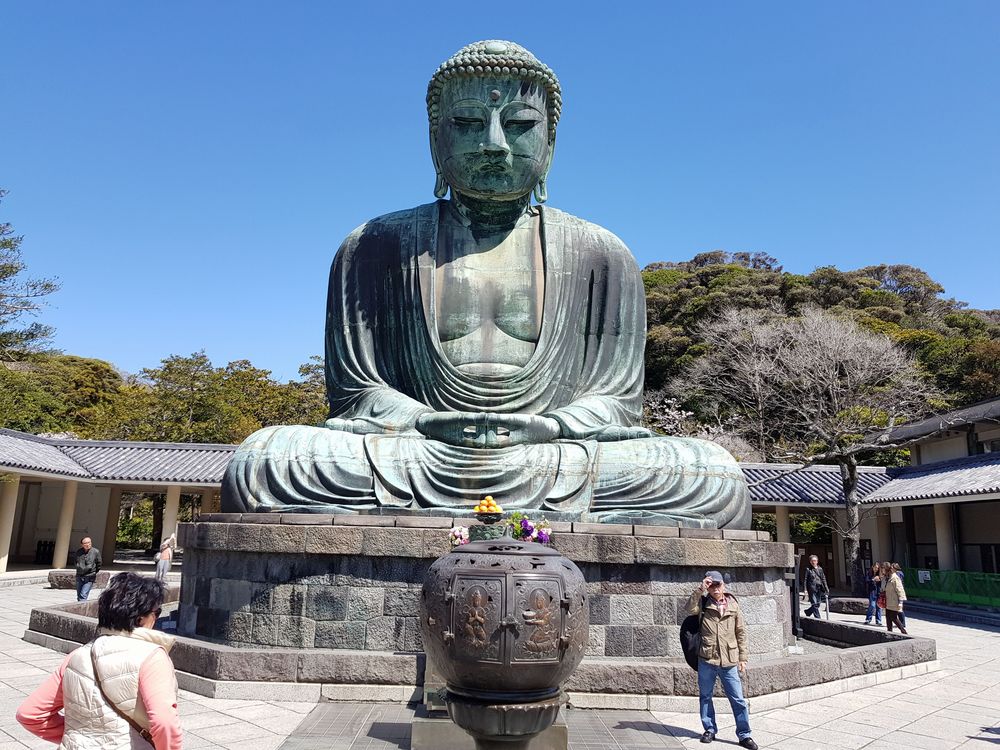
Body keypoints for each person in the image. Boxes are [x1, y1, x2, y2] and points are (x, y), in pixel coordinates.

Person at [220, 39, 751, 530]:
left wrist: (553, 428)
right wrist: (426, 421)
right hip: (418, 450)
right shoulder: (375, 245)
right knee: (268, 460)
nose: (494, 144)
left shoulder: (601, 254)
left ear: (550, 141)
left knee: (710, 474)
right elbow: (356, 394)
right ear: (436, 138)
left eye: (519, 124)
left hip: (555, 455)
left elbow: (615, 402)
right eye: (469, 123)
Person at [16, 572, 183, 748]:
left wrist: (80, 737)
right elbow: (164, 722)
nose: (156, 618)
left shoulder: (79, 654)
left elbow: (30, 714)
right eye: (156, 612)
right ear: (140, 618)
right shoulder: (152, 656)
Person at [686, 571, 757, 749]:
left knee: (738, 699)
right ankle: (709, 729)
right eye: (712, 585)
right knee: (705, 697)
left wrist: (743, 657)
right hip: (707, 659)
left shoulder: (733, 605)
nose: (715, 589)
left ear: (724, 585)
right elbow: (689, 608)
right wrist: (700, 588)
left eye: (718, 585)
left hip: (729, 659)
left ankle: (744, 734)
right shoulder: (703, 603)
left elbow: (741, 633)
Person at [74, 536, 102, 602]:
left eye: (89, 542)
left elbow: (99, 564)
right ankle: (80, 608)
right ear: (82, 544)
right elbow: (75, 562)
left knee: (83, 595)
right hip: (79, 576)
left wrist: (93, 571)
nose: (88, 544)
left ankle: (81, 610)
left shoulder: (95, 552)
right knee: (79, 595)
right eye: (85, 543)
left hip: (89, 577)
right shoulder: (79, 552)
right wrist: (78, 568)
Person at [883, 562, 908, 634]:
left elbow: (900, 590)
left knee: (893, 617)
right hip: (889, 601)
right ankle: (889, 632)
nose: (882, 571)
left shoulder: (895, 578)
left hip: (894, 601)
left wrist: (901, 602)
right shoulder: (888, 578)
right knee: (888, 617)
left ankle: (904, 632)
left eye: (884, 569)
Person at [803, 554, 829, 618]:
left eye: (815, 561)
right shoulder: (808, 569)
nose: (813, 562)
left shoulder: (820, 569)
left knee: (818, 603)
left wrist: (826, 588)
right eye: (812, 561)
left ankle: (808, 612)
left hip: (819, 587)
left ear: (817, 561)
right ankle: (818, 617)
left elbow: (823, 579)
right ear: (810, 562)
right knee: (814, 603)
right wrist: (805, 589)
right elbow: (805, 579)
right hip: (811, 588)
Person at [892, 562, 908, 630]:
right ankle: (900, 622)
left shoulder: (898, 574)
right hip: (895, 593)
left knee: (899, 609)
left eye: (892, 567)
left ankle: (902, 623)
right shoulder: (897, 574)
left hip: (898, 593)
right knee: (898, 609)